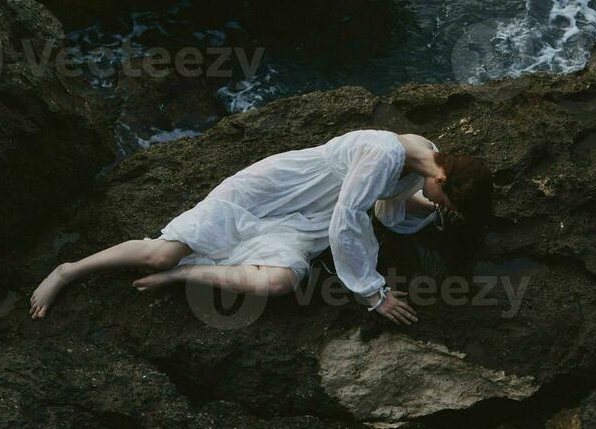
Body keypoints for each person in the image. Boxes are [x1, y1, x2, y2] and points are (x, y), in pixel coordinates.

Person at [29, 129, 492, 325]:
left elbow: (390, 202)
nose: (438, 203)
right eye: (444, 198)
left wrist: (432, 212)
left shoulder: (424, 155)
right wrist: (371, 291)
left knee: (278, 281)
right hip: (275, 192)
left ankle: (185, 275)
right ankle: (69, 270)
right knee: (161, 251)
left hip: (309, 217)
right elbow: (350, 217)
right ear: (442, 177)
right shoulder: (387, 153)